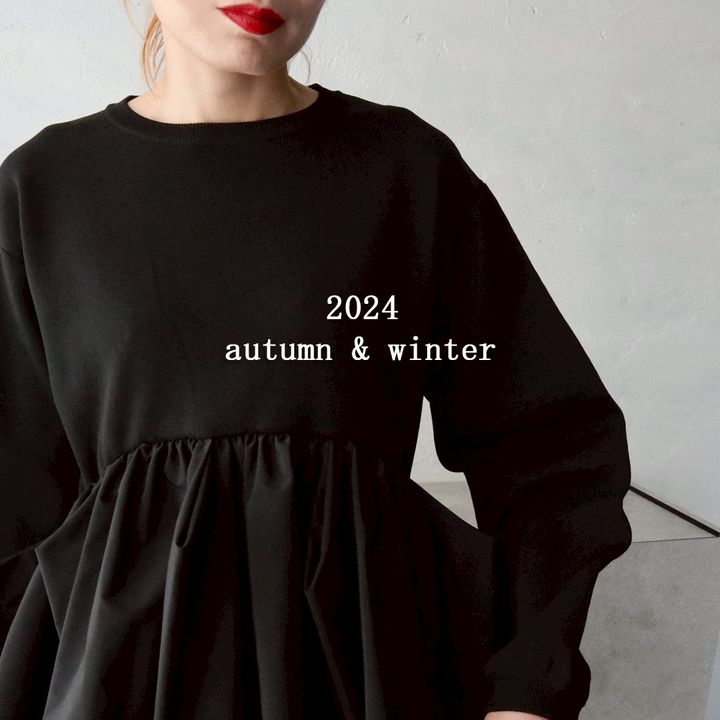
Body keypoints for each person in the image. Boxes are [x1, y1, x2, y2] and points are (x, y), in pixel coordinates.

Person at [0, 1, 633, 719]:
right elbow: (13, 503)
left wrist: (528, 688)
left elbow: (549, 446)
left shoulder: (404, 170)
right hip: (122, 687)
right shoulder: (45, 188)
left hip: (368, 676)